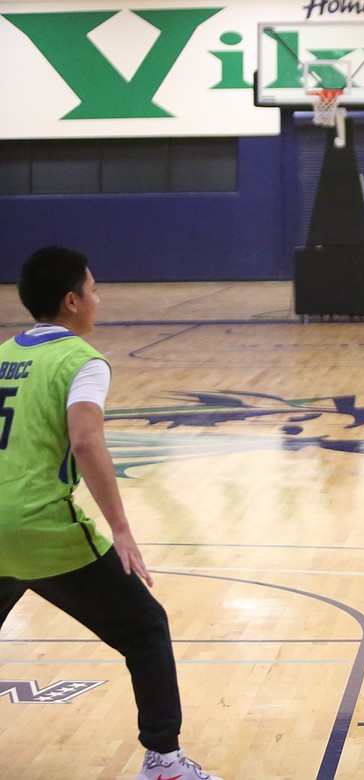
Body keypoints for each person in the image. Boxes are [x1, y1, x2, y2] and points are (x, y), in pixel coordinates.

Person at [0, 247, 222, 780]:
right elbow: (85, 439)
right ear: (72, 300)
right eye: (94, 289)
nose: (99, 300)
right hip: (40, 528)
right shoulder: (82, 361)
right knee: (145, 626)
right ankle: (165, 762)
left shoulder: (3, 353)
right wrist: (121, 529)